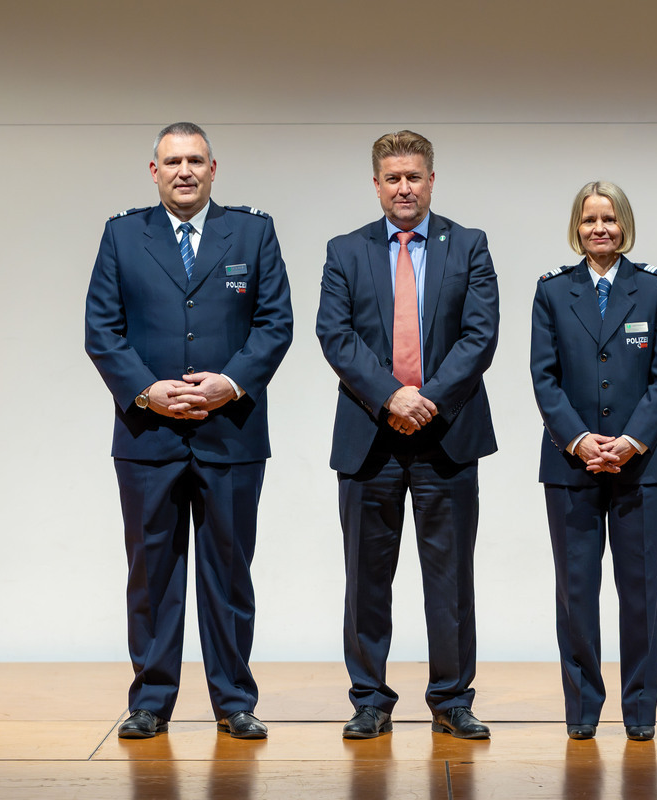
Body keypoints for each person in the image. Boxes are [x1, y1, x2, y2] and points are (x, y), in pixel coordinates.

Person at [84, 121, 292, 740]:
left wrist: (229, 383)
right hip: (148, 436)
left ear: (213, 168)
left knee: (228, 572)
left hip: (231, 433)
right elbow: (102, 330)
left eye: (195, 160)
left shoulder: (253, 232)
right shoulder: (123, 235)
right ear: (154, 171)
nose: (183, 171)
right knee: (152, 573)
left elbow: (274, 324)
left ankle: (234, 702)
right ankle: (150, 699)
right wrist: (148, 391)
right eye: (172, 161)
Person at [316, 130, 499, 740]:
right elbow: (334, 336)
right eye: (392, 177)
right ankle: (370, 698)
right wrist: (391, 396)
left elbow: (480, 336)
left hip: (446, 435)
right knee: (366, 579)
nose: (404, 187)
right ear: (376, 184)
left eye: (414, 176)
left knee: (450, 580)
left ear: (431, 179)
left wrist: (428, 401)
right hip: (370, 436)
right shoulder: (345, 250)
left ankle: (451, 700)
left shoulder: (468, 245)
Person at [529, 181, 657, 742]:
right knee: (576, 593)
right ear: (577, 226)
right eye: (590, 219)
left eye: (610, 220)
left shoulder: (655, 288)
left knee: (641, 594)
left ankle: (640, 711)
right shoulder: (551, 291)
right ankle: (583, 709)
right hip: (571, 466)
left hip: (643, 466)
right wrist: (579, 440)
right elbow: (543, 378)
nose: (600, 229)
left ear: (625, 225)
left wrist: (630, 442)